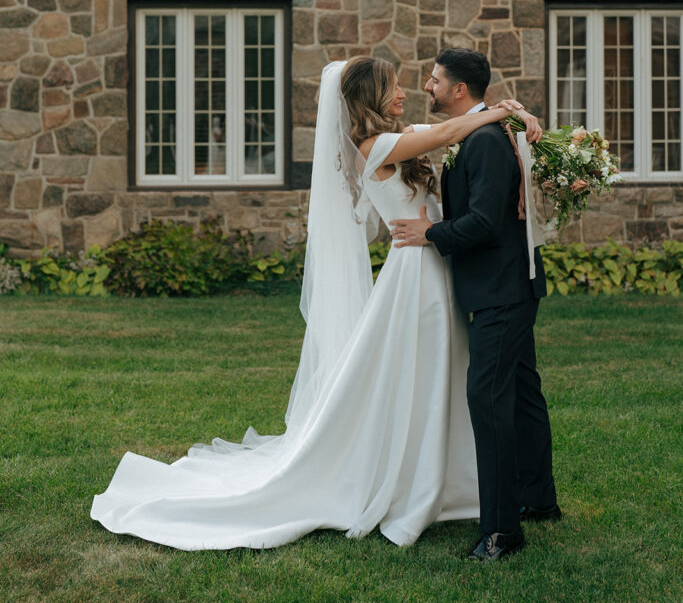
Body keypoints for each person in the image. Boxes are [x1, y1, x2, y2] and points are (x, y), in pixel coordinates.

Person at [91, 57, 540, 550]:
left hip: (437, 265)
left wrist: (512, 116)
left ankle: (444, 475)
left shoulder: (395, 135)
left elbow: (450, 128)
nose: (405, 92)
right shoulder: (374, 146)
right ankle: (414, 479)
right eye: (392, 87)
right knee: (422, 373)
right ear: (370, 97)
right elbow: (449, 130)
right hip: (416, 274)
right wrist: (499, 112)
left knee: (440, 376)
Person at [391, 48, 561, 563]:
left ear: (459, 90)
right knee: (524, 395)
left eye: (435, 79)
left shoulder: (484, 140)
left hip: (501, 292)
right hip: (508, 286)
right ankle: (538, 499)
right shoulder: (482, 131)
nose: (428, 85)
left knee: (489, 403)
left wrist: (431, 232)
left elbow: (484, 223)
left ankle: (502, 530)